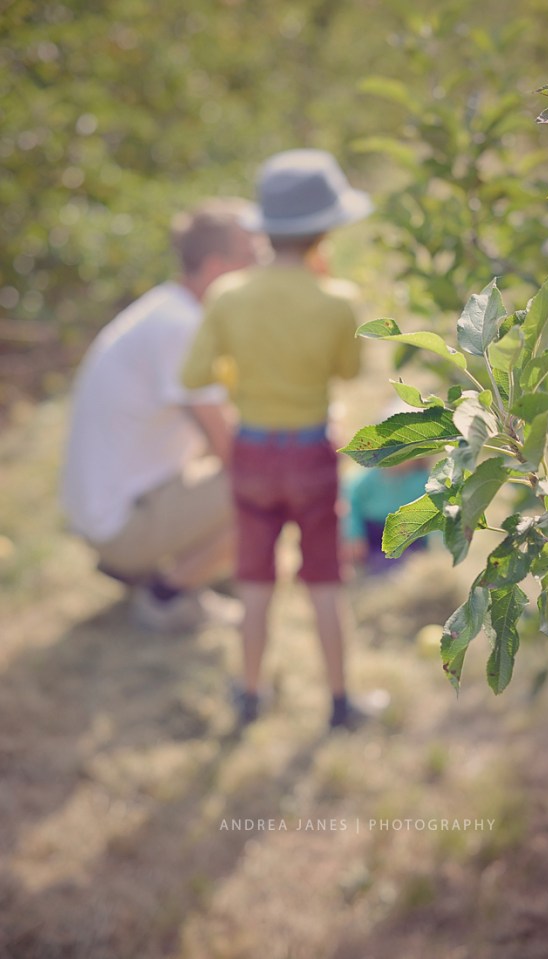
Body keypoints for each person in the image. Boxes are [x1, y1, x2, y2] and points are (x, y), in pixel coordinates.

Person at [181, 149, 380, 729]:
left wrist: (241, 377)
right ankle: (340, 702)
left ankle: (250, 694)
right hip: (312, 452)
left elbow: (193, 375)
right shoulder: (337, 300)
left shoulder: (228, 295)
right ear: (326, 231)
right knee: (324, 581)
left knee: (254, 582)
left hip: (251, 452)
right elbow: (349, 371)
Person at [60, 199, 257, 632]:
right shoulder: (182, 328)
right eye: (250, 256)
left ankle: (174, 566)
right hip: (120, 524)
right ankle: (165, 595)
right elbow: (227, 445)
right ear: (216, 266)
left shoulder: (169, 309)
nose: (259, 268)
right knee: (273, 483)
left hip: (111, 508)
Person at [341, 459, 431, 576]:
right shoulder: (367, 478)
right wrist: (355, 535)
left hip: (408, 531)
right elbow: (352, 506)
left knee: (408, 569)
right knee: (379, 571)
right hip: (375, 532)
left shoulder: (422, 479)